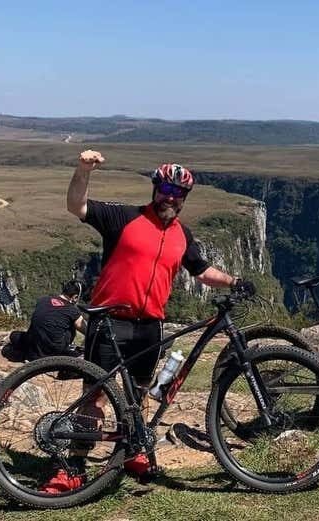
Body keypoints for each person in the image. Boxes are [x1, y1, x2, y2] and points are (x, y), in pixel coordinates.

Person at [40, 150, 251, 494]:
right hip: (110, 321)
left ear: (184, 198)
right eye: (165, 189)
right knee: (94, 398)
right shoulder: (124, 217)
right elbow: (76, 206)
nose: (170, 196)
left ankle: (130, 452)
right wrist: (83, 170)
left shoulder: (183, 235)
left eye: (178, 192)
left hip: (149, 326)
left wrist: (233, 281)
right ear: (155, 189)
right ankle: (73, 466)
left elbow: (200, 271)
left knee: (137, 395)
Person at [1, 280, 86, 362]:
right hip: (54, 352)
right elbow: (86, 330)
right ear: (75, 297)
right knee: (72, 326)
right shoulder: (72, 311)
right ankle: (62, 350)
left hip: (33, 348)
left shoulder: (43, 300)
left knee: (15, 335)